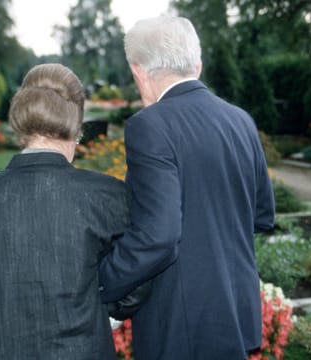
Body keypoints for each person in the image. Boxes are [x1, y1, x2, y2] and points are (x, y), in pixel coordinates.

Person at [98, 16, 275, 359]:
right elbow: (263, 215)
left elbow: (158, 236)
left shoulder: (149, 126)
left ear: (138, 72)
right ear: (198, 64)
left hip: (184, 326)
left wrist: (99, 284)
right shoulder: (241, 120)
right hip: (237, 314)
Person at [0, 63, 142, 359]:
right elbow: (136, 277)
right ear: (77, 125)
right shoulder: (108, 195)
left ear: (21, 122)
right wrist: (98, 310)